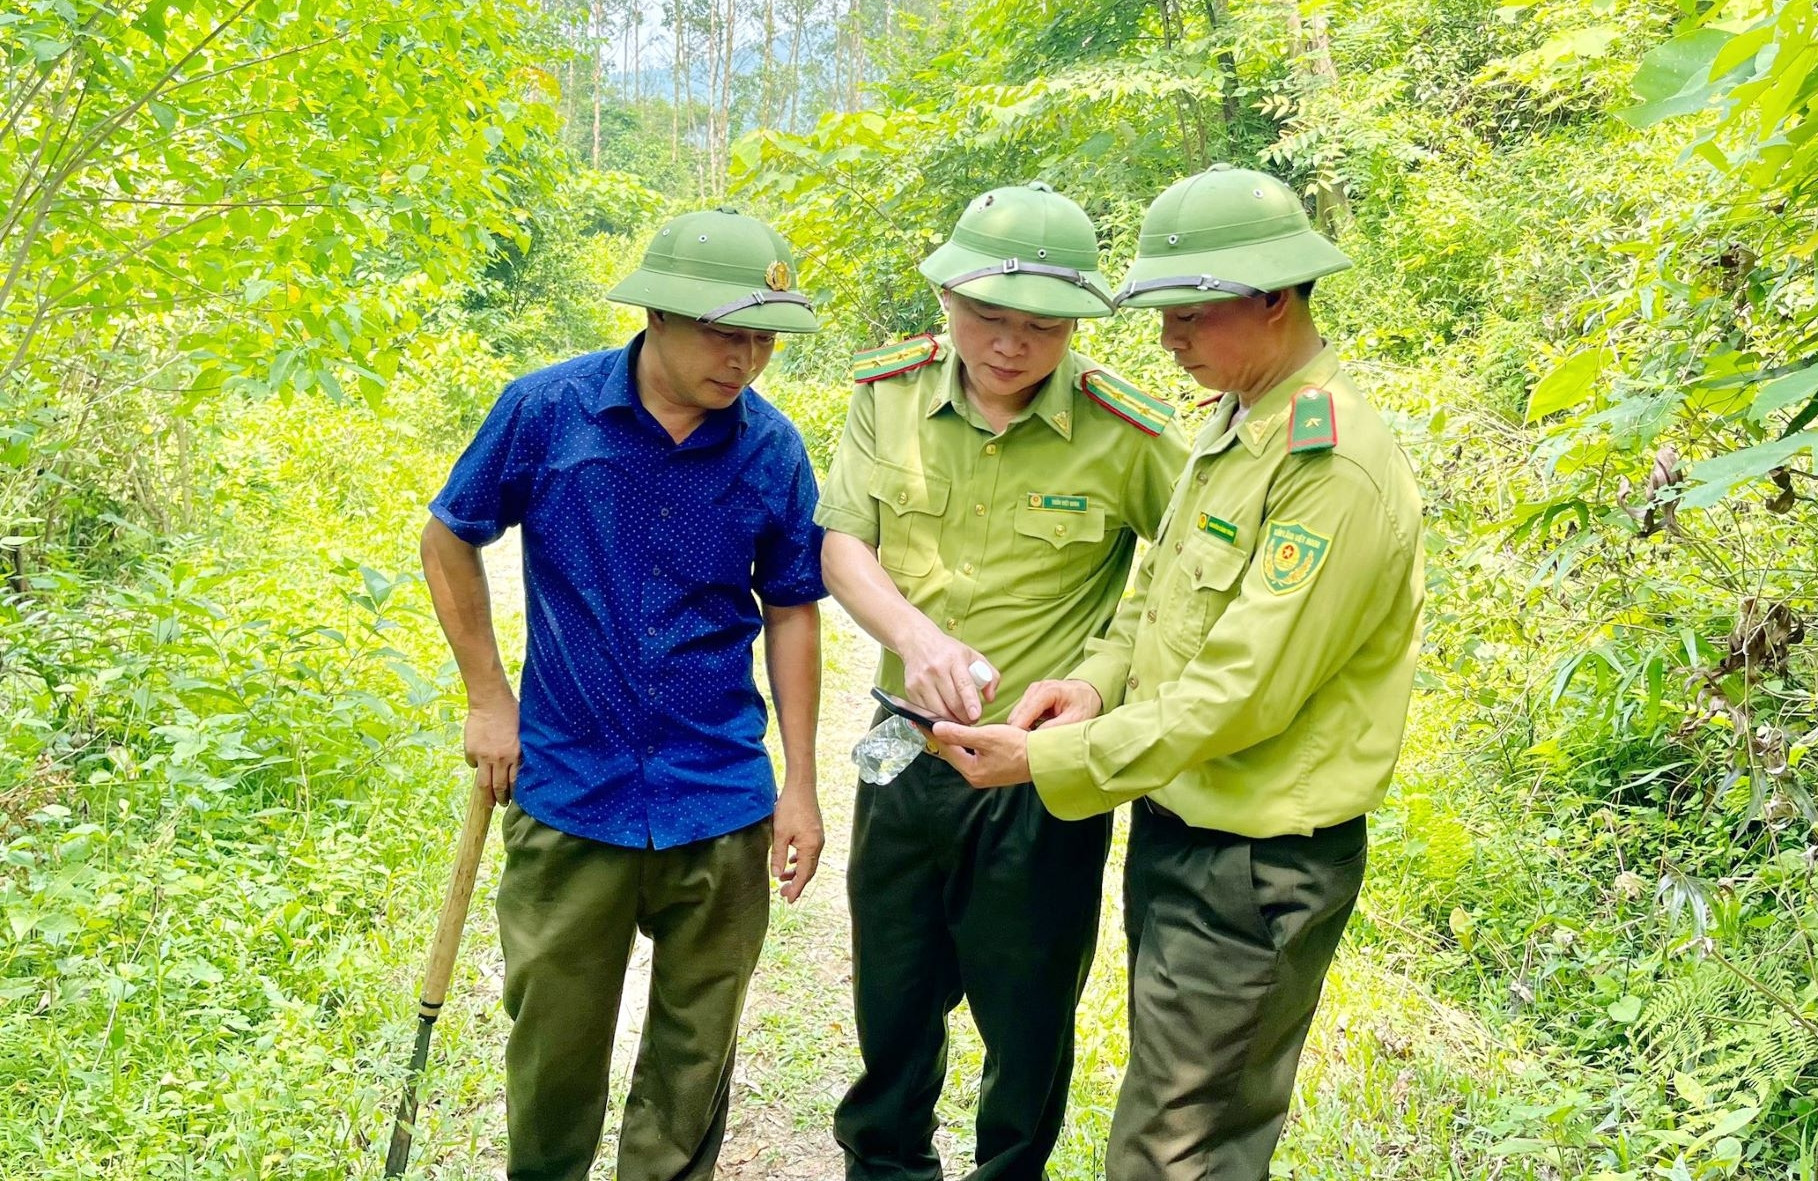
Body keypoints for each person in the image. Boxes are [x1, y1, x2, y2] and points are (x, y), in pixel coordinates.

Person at [933, 164, 1426, 1181]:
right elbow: (1159, 605)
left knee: (1177, 1148)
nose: (1167, 338)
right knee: (1170, 1125)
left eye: (1189, 314)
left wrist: (1053, 756)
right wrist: (1097, 684)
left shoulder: (1329, 464)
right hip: (1186, 836)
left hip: (1257, 867)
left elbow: (1244, 688)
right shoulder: (1233, 423)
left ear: (1274, 299)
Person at [419, 208, 828, 1181]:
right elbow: (450, 535)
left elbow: (795, 609)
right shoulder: (546, 413)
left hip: (719, 798)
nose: (746, 359)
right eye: (725, 331)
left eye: (763, 337)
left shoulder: (772, 450)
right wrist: (488, 695)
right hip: (570, 792)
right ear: (656, 314)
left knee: (693, 1070)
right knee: (554, 1057)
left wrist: (801, 783)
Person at [817, 181, 1191, 1181]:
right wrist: (914, 634)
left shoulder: (1130, 431)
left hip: (1038, 774)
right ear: (947, 298)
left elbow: (1188, 576)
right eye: (988, 316)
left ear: (1076, 326)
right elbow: (844, 542)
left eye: (1042, 326)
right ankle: (886, 1167)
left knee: (1026, 1024)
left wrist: (1102, 679)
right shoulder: (888, 396)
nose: (1012, 345)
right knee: (891, 1005)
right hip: (906, 754)